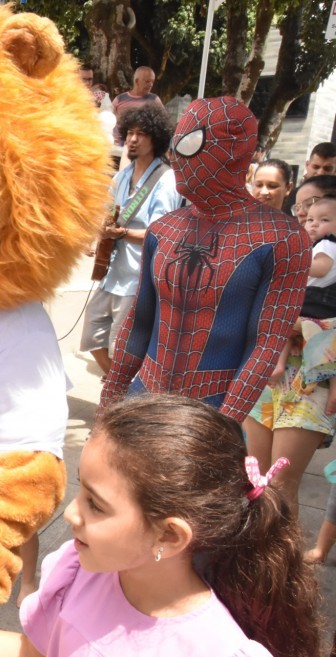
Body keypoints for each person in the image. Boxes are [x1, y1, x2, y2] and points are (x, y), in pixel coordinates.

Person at [0, 394, 325, 657]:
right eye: (80, 490)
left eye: (95, 504)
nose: (70, 512)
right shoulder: (81, 572)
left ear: (169, 536)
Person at [100, 97, 312, 422]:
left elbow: (265, 345)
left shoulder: (282, 238)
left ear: (232, 153)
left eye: (190, 145)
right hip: (143, 397)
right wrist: (107, 408)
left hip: (211, 408)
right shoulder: (165, 229)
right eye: (175, 145)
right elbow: (139, 320)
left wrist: (223, 429)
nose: (176, 158)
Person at [244, 196, 336, 520]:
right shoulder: (284, 250)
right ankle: (251, 556)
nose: (311, 223)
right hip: (265, 374)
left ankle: (279, 565)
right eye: (306, 215)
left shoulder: (316, 254)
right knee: (255, 480)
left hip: (311, 380)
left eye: (322, 218)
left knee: (281, 485)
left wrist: (308, 328)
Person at [81, 105, 180, 375]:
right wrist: (98, 234)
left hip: (139, 279)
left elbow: (163, 233)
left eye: (141, 134)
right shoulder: (123, 174)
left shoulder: (166, 180)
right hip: (112, 273)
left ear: (156, 138)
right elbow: (107, 213)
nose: (133, 139)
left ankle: (119, 391)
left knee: (121, 346)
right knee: (92, 333)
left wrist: (122, 234)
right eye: (130, 133)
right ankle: (118, 386)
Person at [110, 66, 164, 146]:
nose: (150, 85)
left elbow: (163, 123)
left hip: (143, 147)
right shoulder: (120, 99)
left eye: (152, 82)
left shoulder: (154, 100)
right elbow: (108, 119)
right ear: (137, 81)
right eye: (147, 81)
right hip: (119, 144)